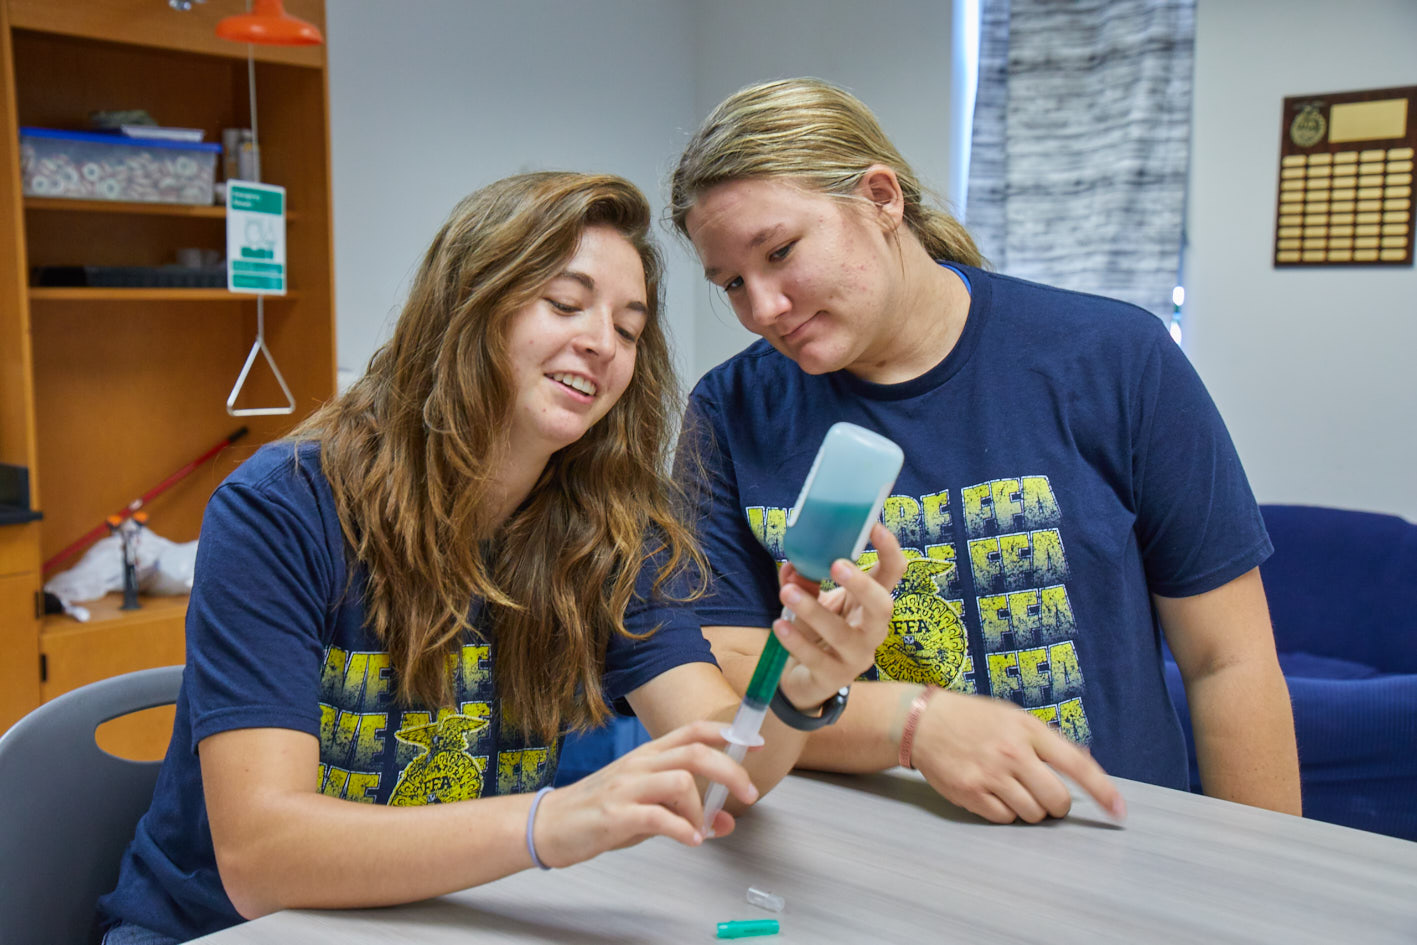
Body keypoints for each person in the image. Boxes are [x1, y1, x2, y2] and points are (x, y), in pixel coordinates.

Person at [97, 171, 906, 943]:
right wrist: (552, 819)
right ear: (465, 308)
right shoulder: (283, 508)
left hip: (450, 920)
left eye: (627, 328)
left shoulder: (603, 531)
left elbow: (715, 767)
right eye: (564, 304)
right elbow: (260, 858)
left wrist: (799, 684)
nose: (601, 344)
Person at [668, 77, 1301, 826]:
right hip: (851, 856)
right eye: (732, 282)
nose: (762, 308)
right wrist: (914, 722)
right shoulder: (729, 411)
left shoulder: (1114, 360)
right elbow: (729, 696)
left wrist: (1261, 882)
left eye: (780, 252)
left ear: (881, 198)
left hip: (1107, 845)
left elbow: (1226, 662)